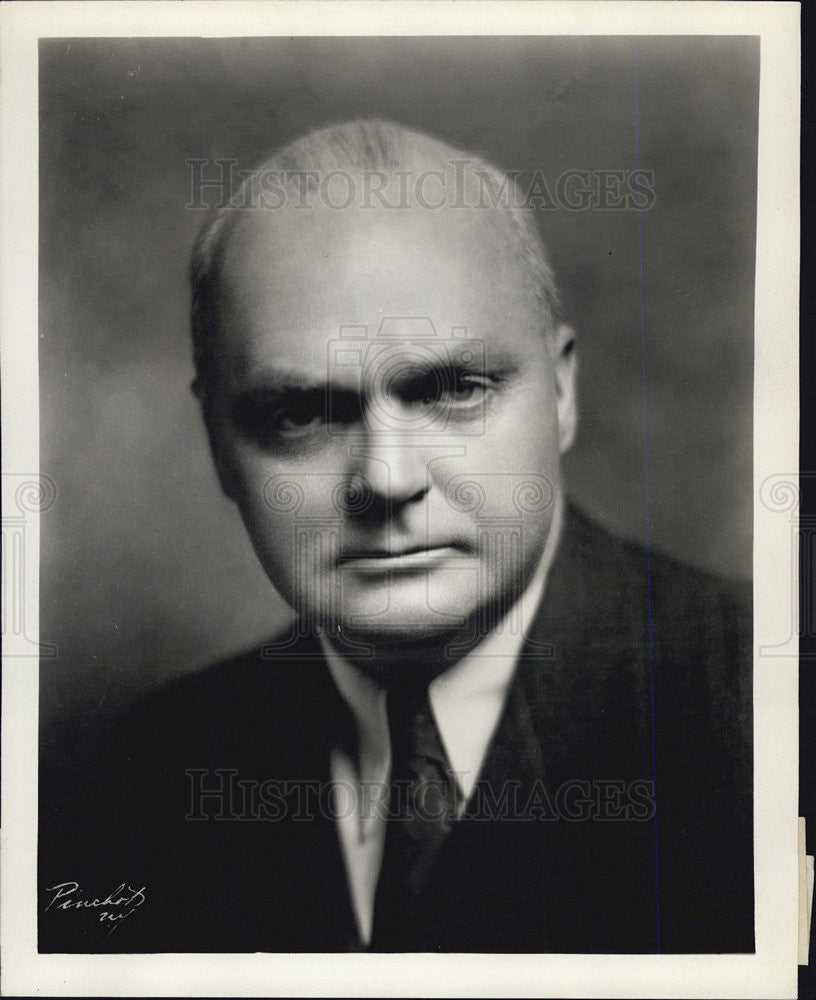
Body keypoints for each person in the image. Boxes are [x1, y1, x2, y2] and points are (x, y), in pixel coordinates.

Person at [39, 119, 753, 954]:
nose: (385, 478)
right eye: (301, 412)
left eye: (452, 390)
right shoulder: (151, 773)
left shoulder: (764, 714)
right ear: (217, 445)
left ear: (561, 395)